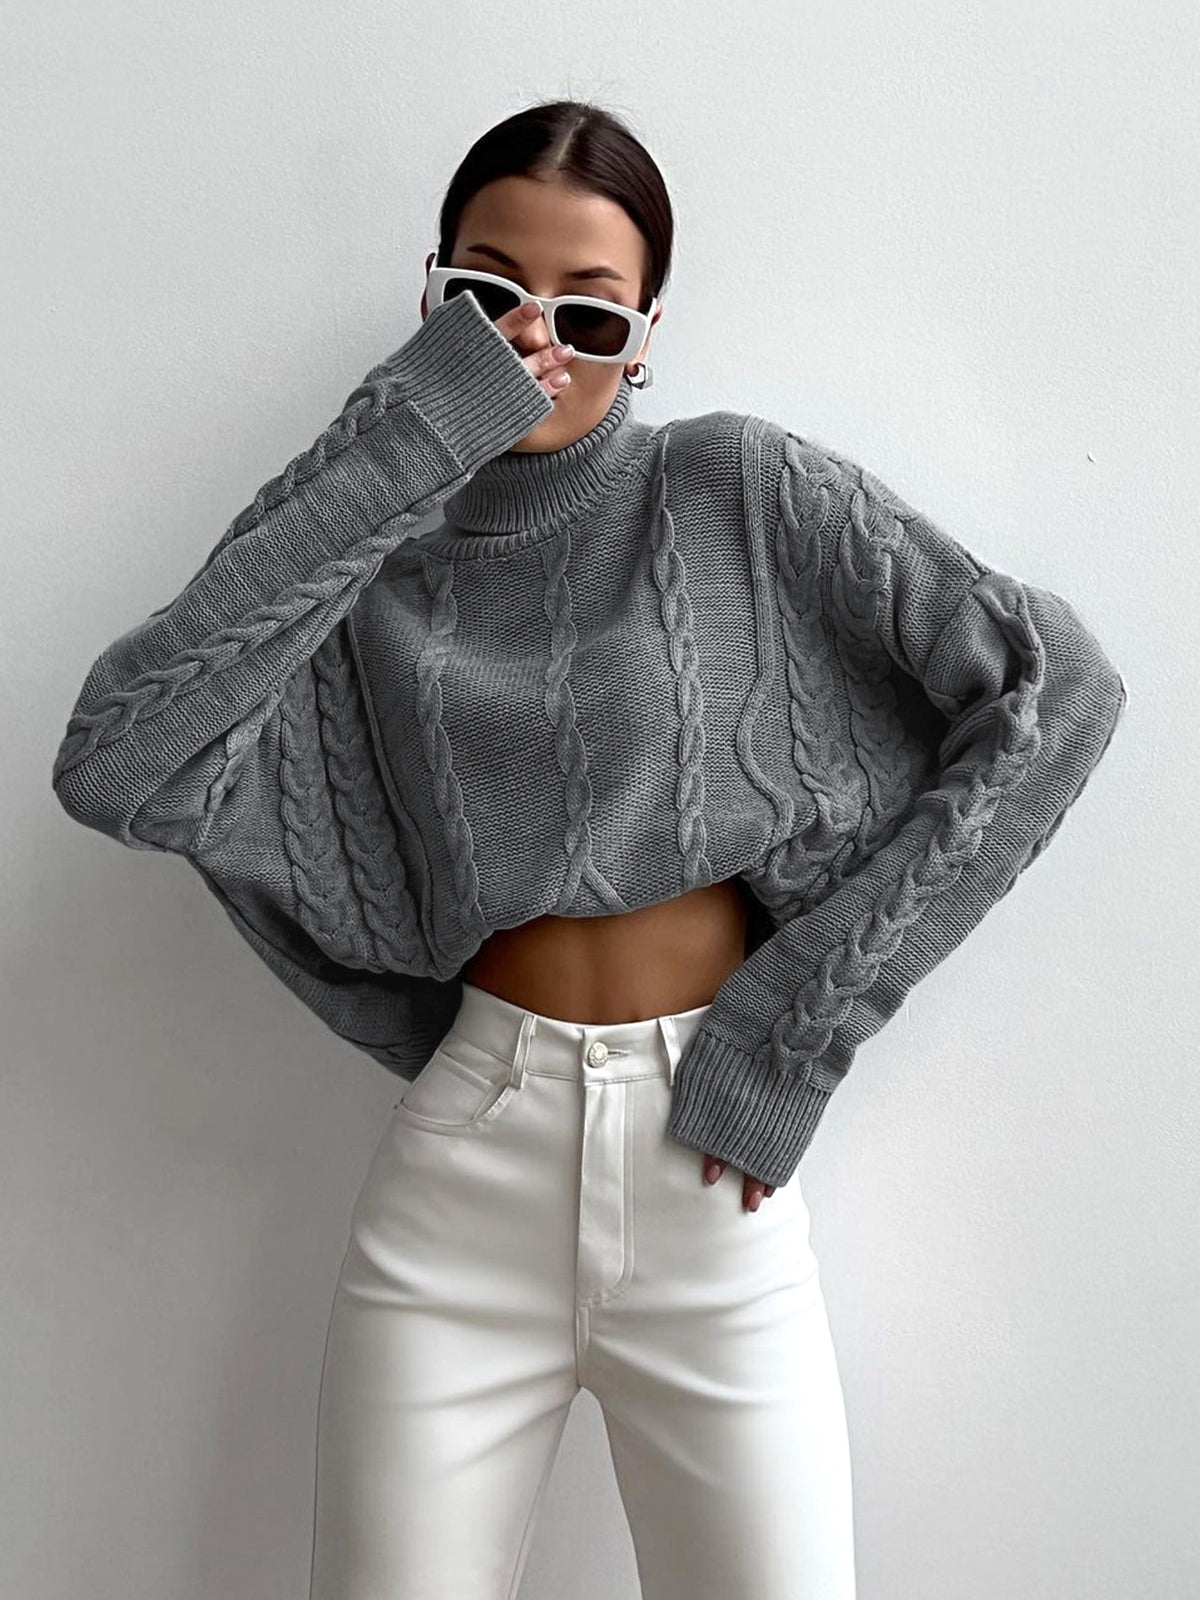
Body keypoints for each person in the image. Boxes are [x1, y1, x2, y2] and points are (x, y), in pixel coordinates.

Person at [50, 98, 1127, 1600]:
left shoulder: (738, 490)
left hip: (712, 1174)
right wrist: (410, 439)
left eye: (591, 314)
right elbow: (116, 762)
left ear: (647, 337)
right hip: (461, 1180)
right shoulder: (367, 564)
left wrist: (797, 1032)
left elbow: (1057, 693)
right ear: (432, 303)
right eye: (489, 298)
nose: (538, 347)